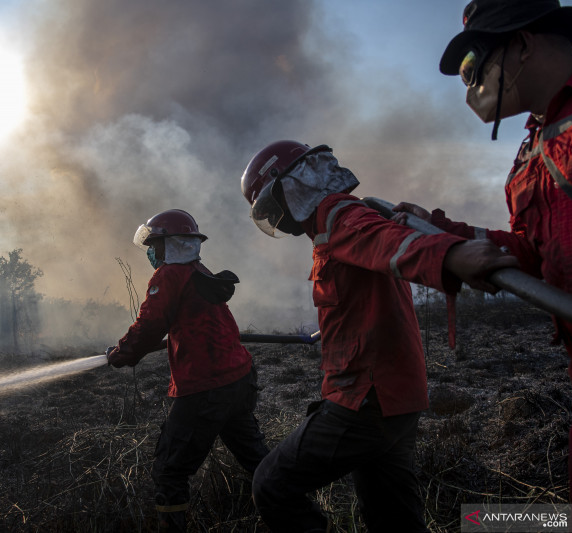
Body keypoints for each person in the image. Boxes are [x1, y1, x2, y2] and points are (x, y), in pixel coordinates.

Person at [393, 0, 572, 511]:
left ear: (521, 43)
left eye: (474, 65)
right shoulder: (527, 160)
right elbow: (537, 258)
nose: (470, 85)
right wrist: (444, 233)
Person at [239, 140, 518, 532]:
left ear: (289, 187)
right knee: (393, 518)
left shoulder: (337, 215)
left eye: (272, 207)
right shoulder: (329, 224)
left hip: (366, 398)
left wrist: (448, 256)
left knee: (270, 484)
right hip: (394, 397)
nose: (277, 220)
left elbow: (387, 243)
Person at [106, 209, 269, 532]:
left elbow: (151, 324)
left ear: (170, 244)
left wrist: (121, 354)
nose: (152, 251)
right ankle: (296, 510)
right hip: (238, 379)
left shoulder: (169, 276)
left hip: (205, 387)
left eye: (156, 244)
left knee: (169, 470)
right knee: (257, 459)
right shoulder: (198, 271)